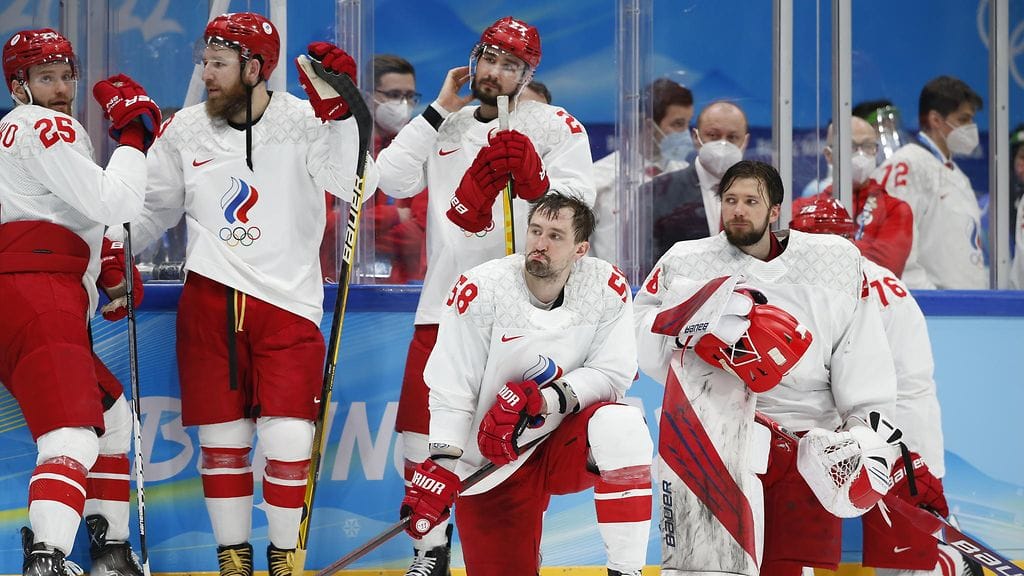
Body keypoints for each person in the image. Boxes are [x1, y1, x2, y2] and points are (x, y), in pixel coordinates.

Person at [124, 12, 374, 575]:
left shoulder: (305, 121)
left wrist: (342, 116)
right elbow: (154, 210)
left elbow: (356, 183)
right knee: (223, 440)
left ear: (256, 67)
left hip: (287, 307)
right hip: (209, 302)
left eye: (219, 64)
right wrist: (112, 256)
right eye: (204, 63)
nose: (206, 74)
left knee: (287, 438)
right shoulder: (184, 128)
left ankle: (286, 560)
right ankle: (232, 563)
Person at [375, 16, 595, 576]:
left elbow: (581, 206)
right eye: (489, 60)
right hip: (444, 304)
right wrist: (437, 110)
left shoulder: (556, 125)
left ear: (528, 74)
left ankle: (516, 551)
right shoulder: (445, 124)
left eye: (511, 65)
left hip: (528, 311)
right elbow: (392, 179)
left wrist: (539, 184)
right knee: (420, 434)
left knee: (514, 439)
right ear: (471, 60)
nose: (496, 73)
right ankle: (431, 550)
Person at [634, 160, 898, 576]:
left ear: (774, 210)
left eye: (751, 201)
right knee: (705, 571)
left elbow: (861, 354)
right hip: (710, 443)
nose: (738, 210)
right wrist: (698, 324)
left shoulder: (835, 261)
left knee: (790, 570)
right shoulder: (685, 262)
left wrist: (861, 430)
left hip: (806, 447)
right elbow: (640, 336)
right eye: (730, 200)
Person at [400, 193, 652, 576]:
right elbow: (453, 387)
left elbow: (614, 374)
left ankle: (626, 570)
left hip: (561, 440)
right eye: (535, 231)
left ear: (580, 248)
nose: (539, 243)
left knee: (622, 424)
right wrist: (443, 464)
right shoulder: (481, 290)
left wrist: (546, 400)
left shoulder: (605, 286)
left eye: (555, 235)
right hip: (492, 460)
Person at [0, 28, 160, 575]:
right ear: (19, 86)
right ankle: (46, 560)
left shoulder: (12, 132)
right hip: (39, 291)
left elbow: (67, 213)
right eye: (46, 77)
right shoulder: (46, 126)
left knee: (115, 421)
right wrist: (135, 139)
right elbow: (114, 199)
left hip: (33, 289)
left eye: (67, 75)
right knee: (70, 434)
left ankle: (111, 552)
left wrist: (102, 267)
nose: (63, 88)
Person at [790, 197, 982, 576]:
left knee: (905, 558)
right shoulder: (877, 278)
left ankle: (948, 562)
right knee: (896, 555)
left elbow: (838, 373)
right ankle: (943, 555)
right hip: (900, 428)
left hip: (891, 433)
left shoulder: (836, 286)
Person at [321, 54, 428, 284]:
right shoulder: (339, 144)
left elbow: (420, 237)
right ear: (368, 97)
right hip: (335, 285)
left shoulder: (420, 149)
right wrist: (395, 215)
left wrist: (351, 226)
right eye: (393, 95)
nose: (404, 104)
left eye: (410, 96)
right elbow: (323, 227)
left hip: (402, 292)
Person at [873, 75, 987, 289]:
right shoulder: (908, 163)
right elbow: (897, 250)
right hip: (933, 309)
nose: (971, 128)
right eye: (963, 119)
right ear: (935, 120)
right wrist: (929, 299)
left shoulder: (957, 175)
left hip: (966, 308)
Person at [793, 116, 914, 276]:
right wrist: (862, 248)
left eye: (868, 146)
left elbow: (886, 268)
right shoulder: (801, 208)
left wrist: (825, 249)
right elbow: (796, 263)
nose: (861, 154)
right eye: (851, 146)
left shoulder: (896, 209)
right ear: (829, 155)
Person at [590, 77, 694, 261]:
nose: (686, 133)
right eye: (678, 124)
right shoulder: (600, 178)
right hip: (610, 285)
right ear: (649, 125)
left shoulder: (689, 179)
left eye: (687, 124)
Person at [644, 99, 749, 263]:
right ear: (695, 137)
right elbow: (646, 262)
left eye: (732, 137)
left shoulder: (760, 194)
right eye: (713, 135)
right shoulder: (656, 192)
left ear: (745, 141)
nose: (723, 144)